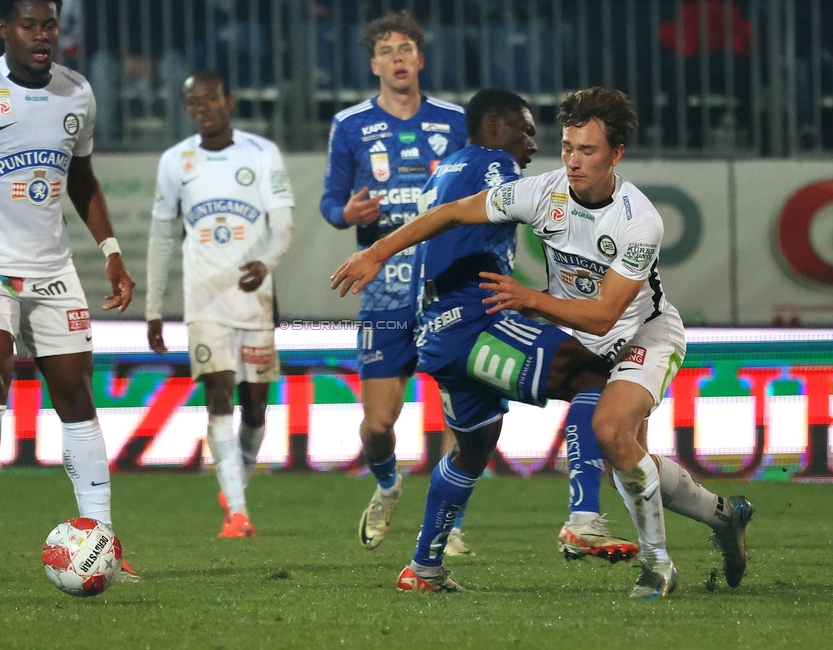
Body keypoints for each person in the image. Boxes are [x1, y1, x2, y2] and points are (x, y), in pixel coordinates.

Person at [333, 87, 754, 599]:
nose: (573, 162)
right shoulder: (539, 190)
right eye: (568, 147)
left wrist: (532, 300)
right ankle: (714, 517)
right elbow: (452, 212)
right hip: (545, 327)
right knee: (603, 437)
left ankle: (651, 559)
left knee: (603, 431)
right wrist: (376, 252)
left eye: (588, 151)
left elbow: (604, 317)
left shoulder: (640, 220)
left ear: (616, 154)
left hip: (644, 333)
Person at [0, 0, 139, 582]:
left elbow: (82, 178)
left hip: (53, 267)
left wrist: (112, 253)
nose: (43, 36)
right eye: (31, 26)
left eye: (51, 25)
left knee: (76, 397)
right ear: (5, 31)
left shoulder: (78, 94)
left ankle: (104, 544)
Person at [320, 9, 472, 554]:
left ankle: (450, 522)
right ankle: (387, 484)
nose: (398, 58)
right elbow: (329, 202)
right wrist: (348, 213)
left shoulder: (455, 121)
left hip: (444, 286)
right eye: (386, 50)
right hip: (384, 291)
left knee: (462, 406)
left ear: (421, 59)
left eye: (406, 48)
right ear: (373, 64)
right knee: (379, 423)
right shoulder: (351, 124)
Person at [146, 70, 294, 539]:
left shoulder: (261, 153)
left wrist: (266, 262)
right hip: (203, 300)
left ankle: (235, 486)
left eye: (211, 100)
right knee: (219, 396)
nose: (204, 110)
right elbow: (162, 236)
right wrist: (152, 307)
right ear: (187, 107)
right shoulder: (176, 161)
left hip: (253, 299)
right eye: (194, 103)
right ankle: (238, 513)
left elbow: (283, 223)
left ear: (229, 100)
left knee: (256, 409)